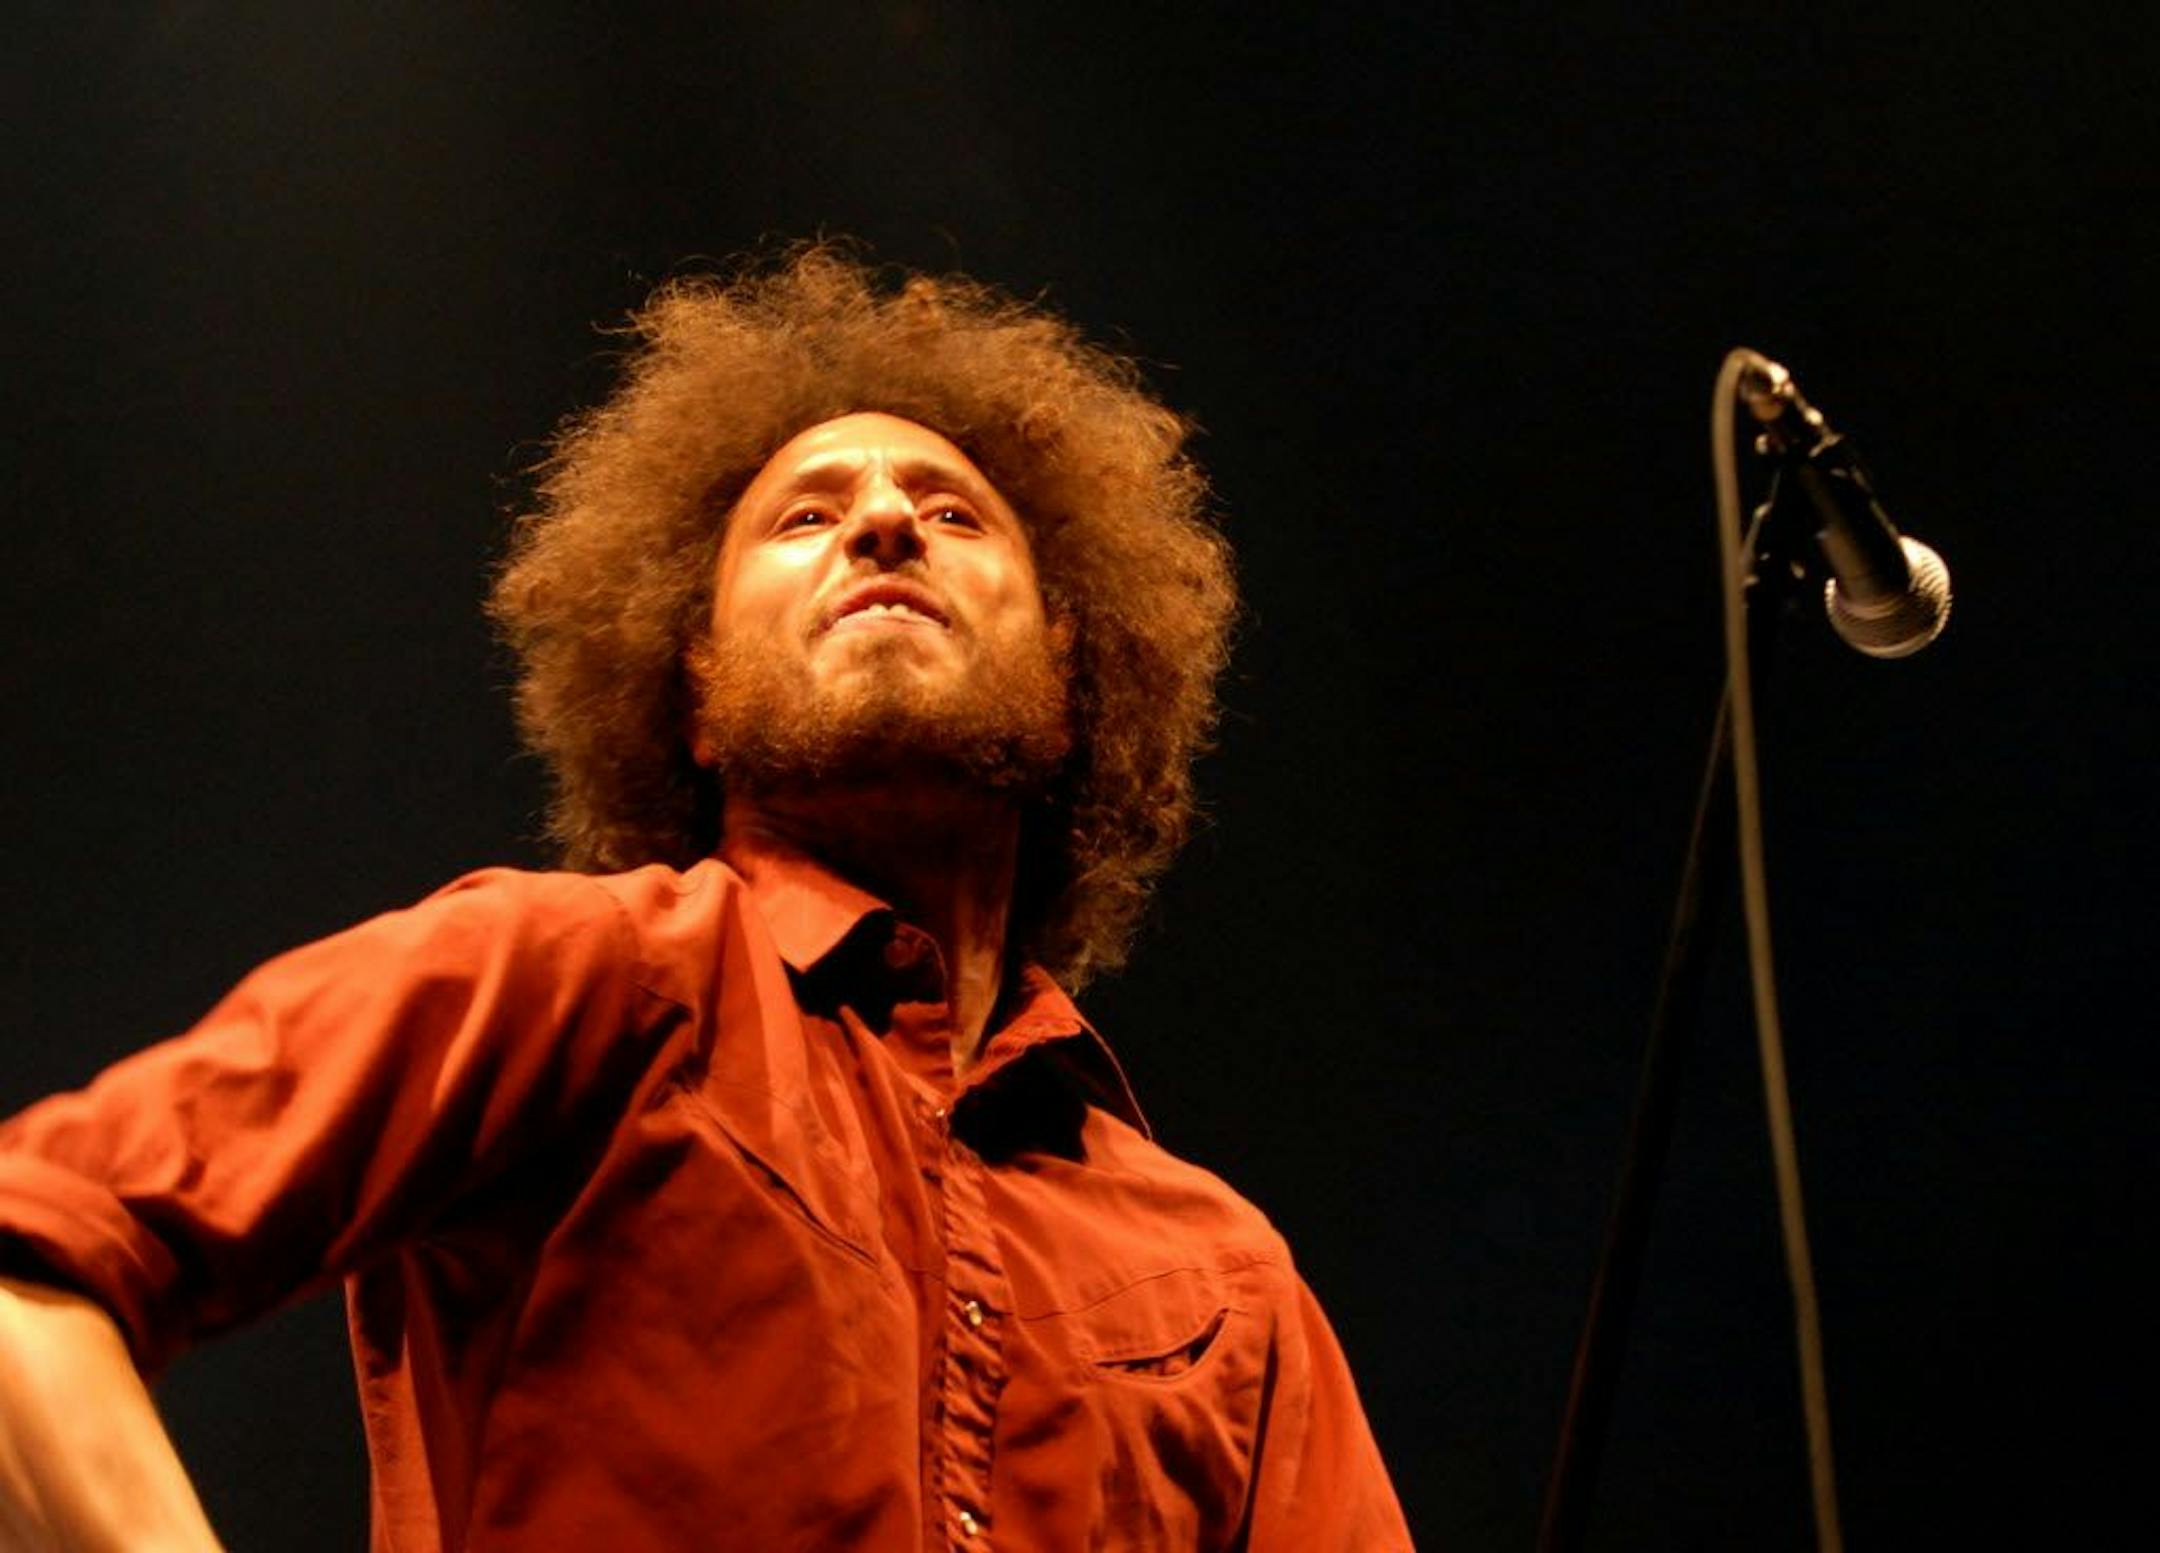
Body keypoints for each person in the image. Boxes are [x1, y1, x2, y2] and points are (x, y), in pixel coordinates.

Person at [0, 248, 1413, 1550]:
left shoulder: (1227, 1277)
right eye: (805, 514)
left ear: (1065, 679)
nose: (879, 525)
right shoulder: (574, 973)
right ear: (693, 687)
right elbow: (26, 1267)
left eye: (950, 510)